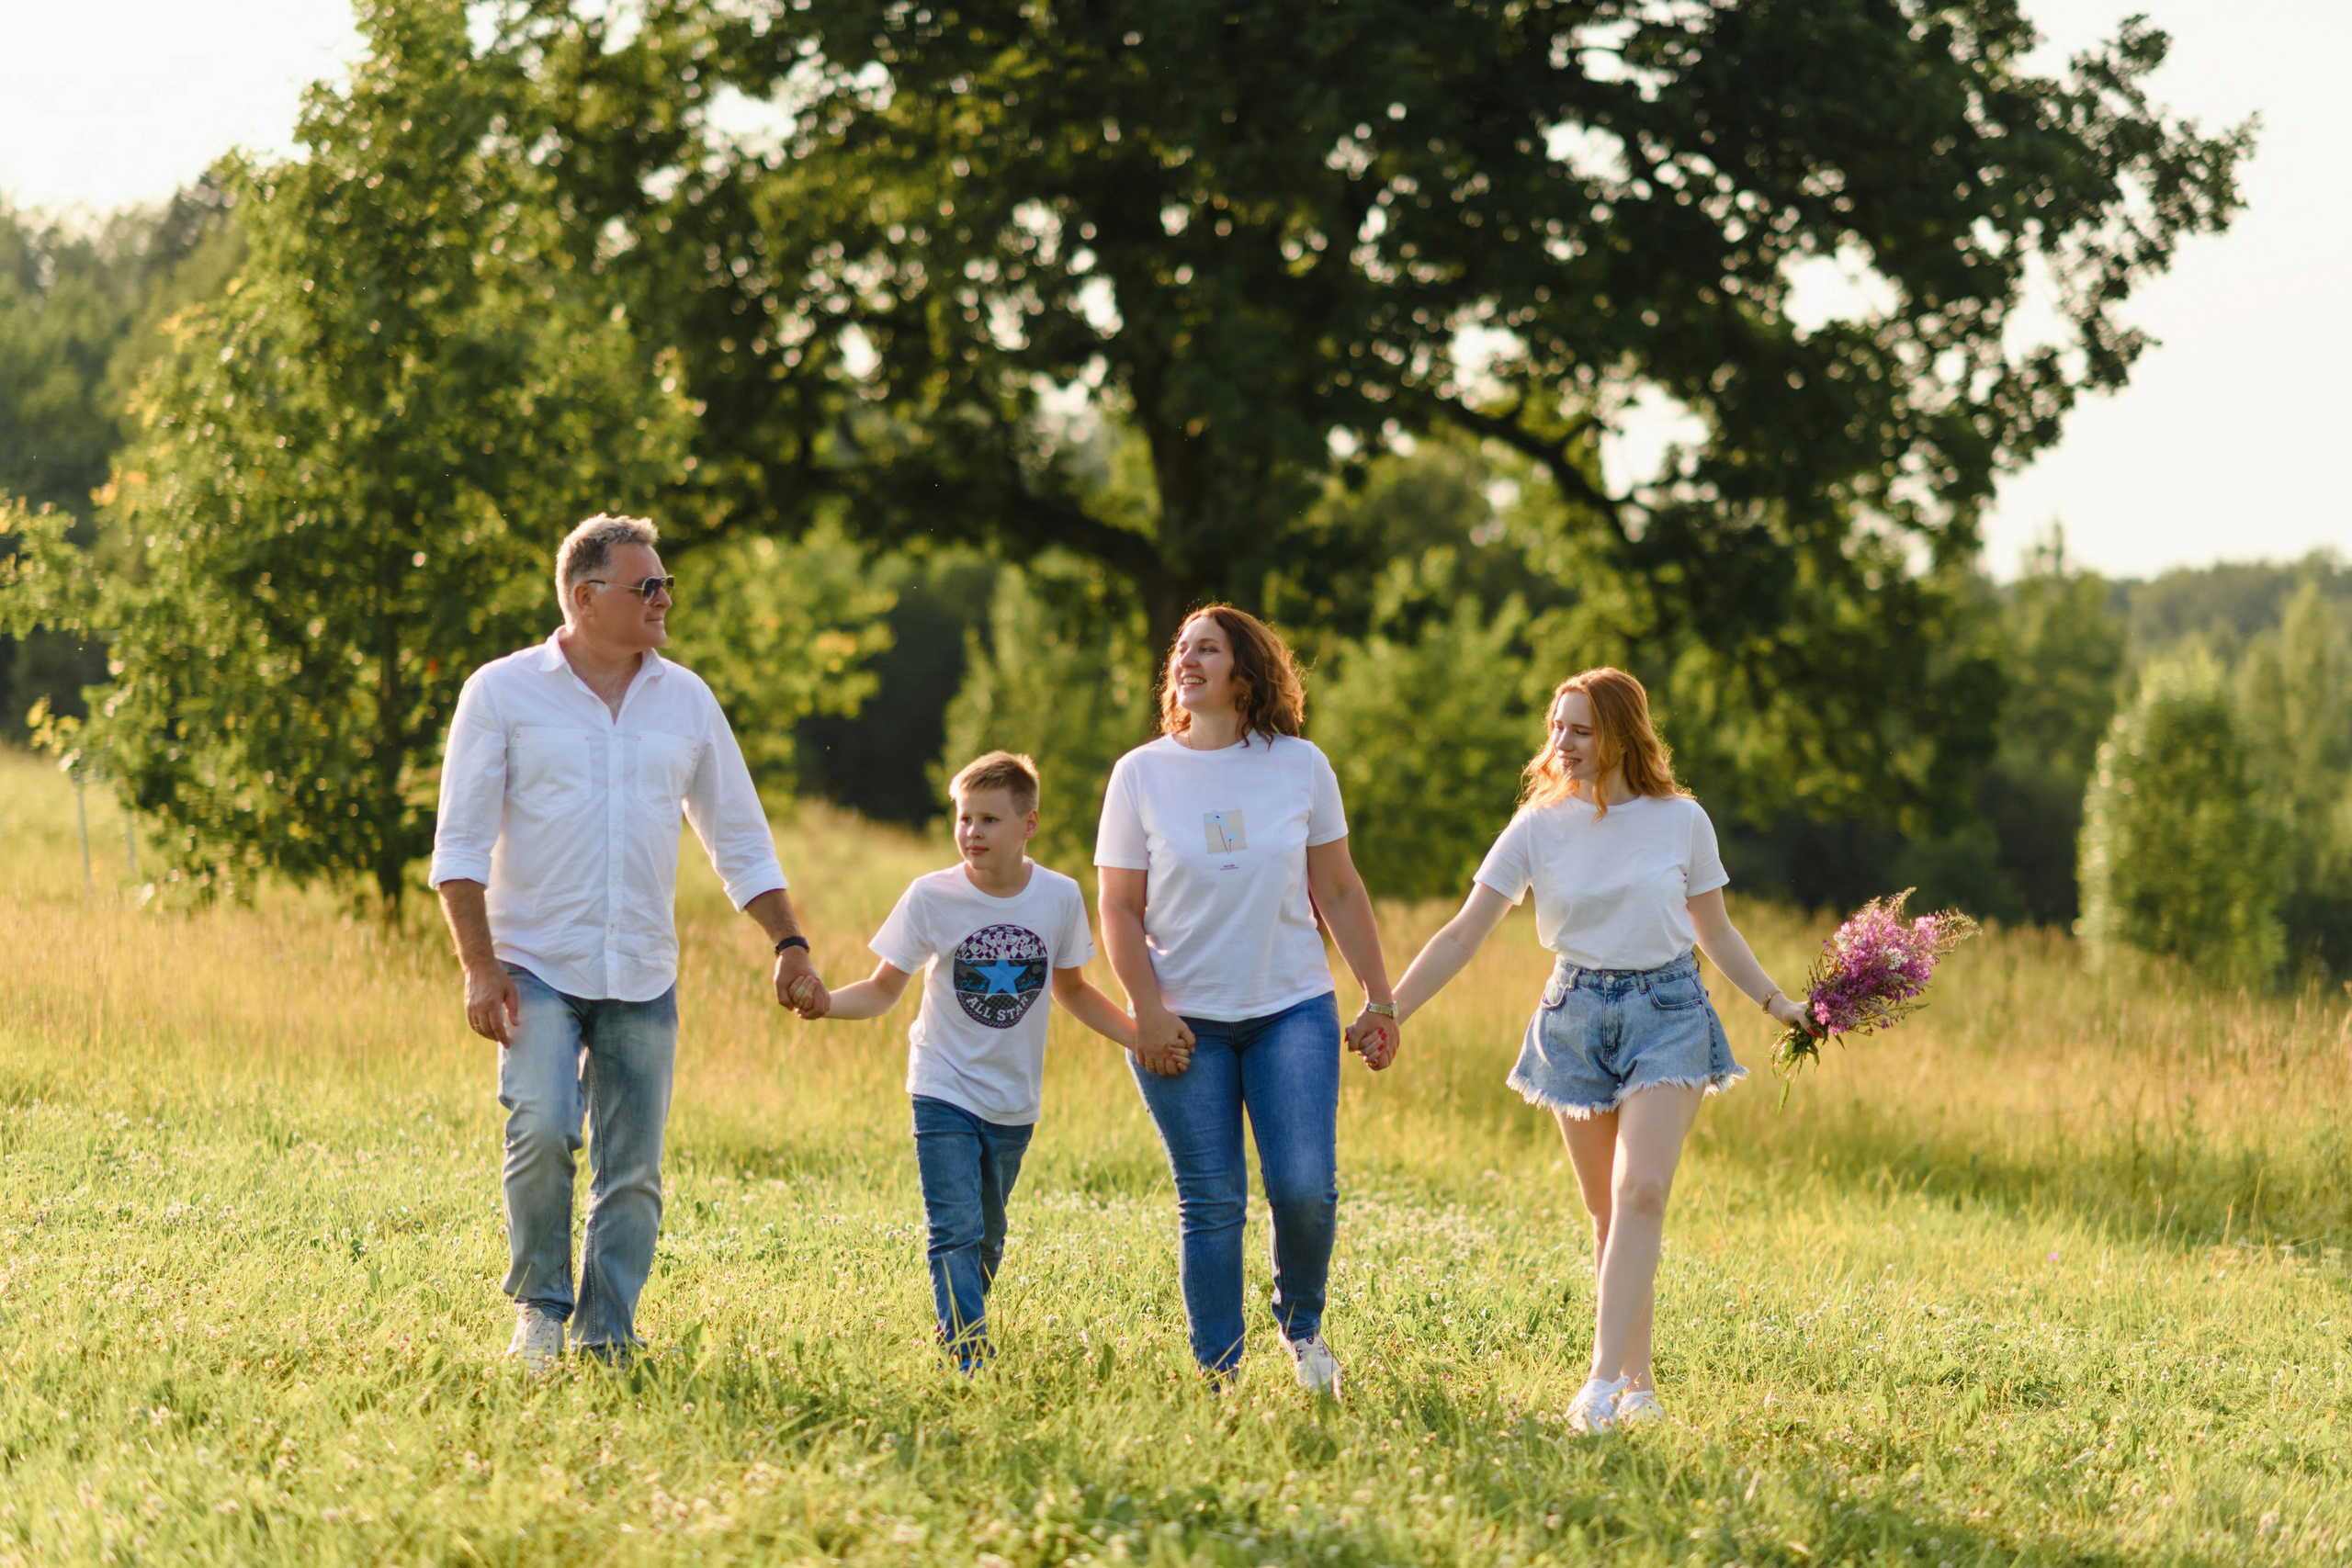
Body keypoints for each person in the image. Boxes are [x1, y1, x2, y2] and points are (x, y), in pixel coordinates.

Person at [428, 513, 826, 1368]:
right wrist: (477, 966)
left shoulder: (687, 699)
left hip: (641, 970)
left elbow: (741, 839)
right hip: (530, 962)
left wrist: (788, 940)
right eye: (647, 586)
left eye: (665, 584)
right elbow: (458, 849)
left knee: (633, 1173)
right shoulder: (499, 692)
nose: (664, 599)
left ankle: (607, 1333)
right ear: (585, 597)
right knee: (539, 1124)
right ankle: (540, 1308)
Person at [1389, 667, 1819, 1432]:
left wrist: (1777, 1001)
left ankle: (1597, 1385)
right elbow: (1463, 931)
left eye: (1579, 729)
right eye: (1556, 726)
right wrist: (1391, 1007)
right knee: (1608, 1212)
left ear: (1622, 733)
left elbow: (1714, 929)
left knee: (1641, 1191)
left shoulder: (1681, 820)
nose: (1562, 742)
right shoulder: (1536, 826)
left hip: (1670, 1009)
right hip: (1575, 1012)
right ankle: (1639, 1386)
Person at [1094, 605, 1398, 1394]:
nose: (1188, 659)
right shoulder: (1140, 773)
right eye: (1181, 649)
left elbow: (1338, 885)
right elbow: (1119, 907)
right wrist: (1147, 1010)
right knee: (1213, 1200)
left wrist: (1380, 996)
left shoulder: (1299, 765)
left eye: (1209, 648)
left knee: (1304, 1187)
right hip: (1181, 1021)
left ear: (1246, 670)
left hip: (1288, 1008)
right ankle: (1219, 1376)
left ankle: (1301, 1326)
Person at [787, 750, 1141, 1370]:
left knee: (988, 1233)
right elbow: (882, 989)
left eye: (988, 820)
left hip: (1013, 1098)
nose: (971, 833)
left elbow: (1075, 989)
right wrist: (825, 1004)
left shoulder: (1058, 897)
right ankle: (968, 1351)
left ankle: (959, 1313)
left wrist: (1141, 1035)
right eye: (964, 818)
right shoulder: (932, 896)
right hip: (941, 1083)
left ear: (1028, 824)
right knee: (953, 1227)